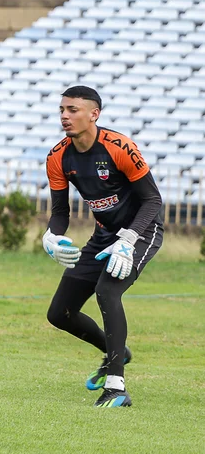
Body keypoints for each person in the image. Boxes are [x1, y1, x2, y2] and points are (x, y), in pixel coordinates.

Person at [42, 85, 163, 408]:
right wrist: (50, 236)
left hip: (141, 231)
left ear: (94, 114)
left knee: (107, 292)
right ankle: (116, 353)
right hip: (103, 236)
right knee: (60, 314)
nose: (65, 116)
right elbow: (60, 213)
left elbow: (153, 200)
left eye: (73, 110)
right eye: (62, 110)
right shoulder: (57, 157)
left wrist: (129, 239)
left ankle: (117, 388)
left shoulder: (120, 147)